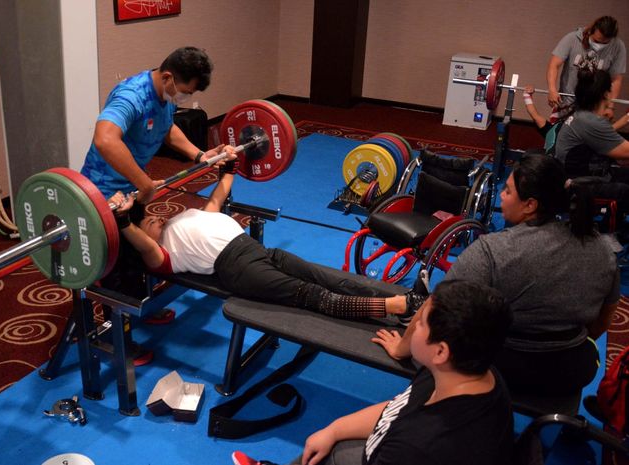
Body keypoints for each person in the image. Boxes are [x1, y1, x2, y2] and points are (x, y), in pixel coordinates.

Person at [373, 153, 620, 396]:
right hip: (573, 369)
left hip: (503, 368)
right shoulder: (602, 248)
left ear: (530, 205)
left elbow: (436, 306)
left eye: (508, 191)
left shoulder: (494, 249)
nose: (501, 195)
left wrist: (402, 348)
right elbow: (603, 321)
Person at [231, 280, 514, 465]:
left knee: (334, 456)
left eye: (421, 323)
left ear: (441, 351)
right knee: (329, 446)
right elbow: (398, 407)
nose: (411, 326)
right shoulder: (468, 373)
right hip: (382, 447)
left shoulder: (420, 447)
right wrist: (333, 429)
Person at [109, 159, 420, 321]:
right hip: (238, 269)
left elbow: (217, 197)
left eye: (153, 215)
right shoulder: (160, 255)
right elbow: (139, 240)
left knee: (322, 274)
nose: (156, 217)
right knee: (312, 295)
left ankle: (398, 296)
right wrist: (122, 219)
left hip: (258, 251)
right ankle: (391, 306)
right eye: (149, 222)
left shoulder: (185, 217)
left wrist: (228, 168)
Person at [81, 46, 223, 204]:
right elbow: (105, 139)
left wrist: (199, 155)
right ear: (167, 77)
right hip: (102, 189)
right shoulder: (131, 96)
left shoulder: (167, 94)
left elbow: (165, 126)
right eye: (185, 92)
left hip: (133, 184)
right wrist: (145, 185)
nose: (186, 98)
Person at [554, 69, 629, 210]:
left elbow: (617, 152)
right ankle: (611, 229)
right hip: (579, 183)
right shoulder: (590, 122)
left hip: (587, 175)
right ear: (606, 94)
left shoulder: (582, 115)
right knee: (624, 191)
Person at [547, 16, 626, 122]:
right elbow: (554, 65)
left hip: (595, 107)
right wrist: (552, 89)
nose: (599, 45)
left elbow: (616, 79)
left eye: (604, 43)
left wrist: (609, 106)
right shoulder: (572, 38)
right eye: (597, 41)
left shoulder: (618, 46)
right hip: (567, 103)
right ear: (591, 31)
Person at [521, 84, 629, 154]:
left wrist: (527, 95)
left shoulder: (552, 128)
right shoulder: (576, 129)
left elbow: (534, 114)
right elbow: (600, 134)